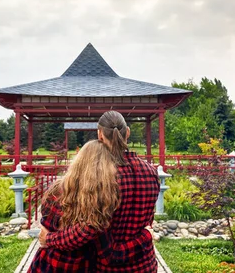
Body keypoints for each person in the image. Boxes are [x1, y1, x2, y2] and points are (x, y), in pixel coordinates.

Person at [39, 111, 160, 272]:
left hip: (109, 268)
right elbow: (147, 222)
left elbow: (89, 233)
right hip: (146, 265)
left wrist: (49, 239)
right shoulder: (152, 172)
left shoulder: (102, 180)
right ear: (128, 132)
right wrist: (145, 237)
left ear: (100, 135)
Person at [28, 139, 120, 272]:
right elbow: (89, 236)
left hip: (49, 262)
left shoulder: (56, 190)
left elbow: (45, 225)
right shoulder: (103, 199)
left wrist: (49, 238)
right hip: (81, 264)